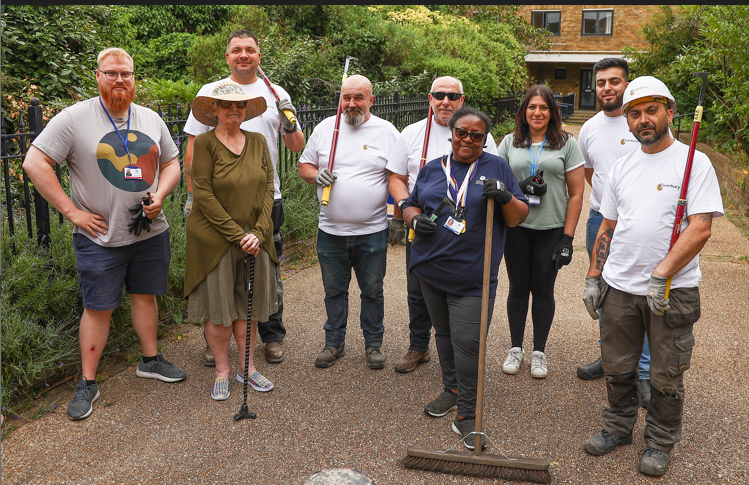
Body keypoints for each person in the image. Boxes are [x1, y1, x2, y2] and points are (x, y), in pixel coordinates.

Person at [23, 47, 186, 420]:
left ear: (134, 78)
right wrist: (71, 212)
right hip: (100, 235)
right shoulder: (74, 118)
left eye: (125, 74)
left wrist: (160, 194)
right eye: (111, 73)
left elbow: (172, 161)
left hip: (149, 231)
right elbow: (35, 161)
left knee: (146, 295)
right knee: (98, 307)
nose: (119, 80)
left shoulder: (149, 117)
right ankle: (88, 382)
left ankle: (150, 359)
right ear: (97, 76)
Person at [581, 76, 722, 477]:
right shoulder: (623, 167)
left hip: (672, 291)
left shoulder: (693, 161)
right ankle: (618, 428)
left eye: (652, 109)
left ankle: (660, 441)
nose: (644, 119)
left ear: (670, 112)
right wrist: (594, 276)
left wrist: (662, 274)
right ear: (626, 120)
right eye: (635, 112)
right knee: (617, 366)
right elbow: (607, 225)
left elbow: (700, 227)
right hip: (620, 287)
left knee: (665, 373)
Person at [403, 107, 528, 449]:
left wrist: (504, 196)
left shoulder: (496, 166)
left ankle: (466, 415)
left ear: (485, 139)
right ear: (452, 132)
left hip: (474, 277)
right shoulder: (432, 169)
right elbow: (410, 204)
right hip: (430, 270)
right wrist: (413, 219)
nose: (468, 140)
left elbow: (518, 216)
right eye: (462, 132)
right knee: (442, 334)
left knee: (469, 345)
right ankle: (452, 389)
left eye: (476, 135)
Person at [183, 29, 304, 367]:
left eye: (250, 50)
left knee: (267, 269)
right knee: (218, 272)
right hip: (216, 202)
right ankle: (216, 343)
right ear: (227, 57)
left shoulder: (275, 93)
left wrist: (289, 119)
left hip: (267, 198)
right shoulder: (210, 93)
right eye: (236, 50)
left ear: (258, 57)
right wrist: (195, 198)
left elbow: (297, 147)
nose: (243, 55)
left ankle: (272, 336)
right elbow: (194, 145)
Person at [386, 76, 499, 374]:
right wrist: (405, 212)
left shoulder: (477, 132)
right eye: (439, 95)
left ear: (462, 100)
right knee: (418, 291)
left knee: (459, 295)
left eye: (452, 96)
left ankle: (457, 354)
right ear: (430, 98)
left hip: (466, 232)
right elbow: (396, 178)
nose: (445, 101)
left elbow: (495, 178)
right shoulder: (411, 134)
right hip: (423, 226)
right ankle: (418, 347)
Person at [297, 74, 400, 370]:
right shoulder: (325, 128)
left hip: (372, 231)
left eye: (358, 98)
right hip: (331, 231)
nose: (352, 104)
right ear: (340, 99)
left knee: (373, 291)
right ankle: (334, 343)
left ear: (371, 100)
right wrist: (315, 174)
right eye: (346, 98)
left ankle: (373, 345)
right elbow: (304, 165)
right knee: (333, 291)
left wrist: (395, 217)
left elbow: (396, 176)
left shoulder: (386, 131)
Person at [184, 81, 278, 399]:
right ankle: (223, 370)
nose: (233, 110)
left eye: (239, 105)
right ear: (214, 110)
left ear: (246, 110)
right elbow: (204, 194)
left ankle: (247, 369)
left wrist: (258, 233)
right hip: (214, 240)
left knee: (247, 309)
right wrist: (239, 236)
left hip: (254, 239)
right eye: (226, 105)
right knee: (219, 311)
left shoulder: (258, 141)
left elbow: (268, 187)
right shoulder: (206, 144)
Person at [575, 58, 653, 408]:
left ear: (626, 84)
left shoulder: (640, 122)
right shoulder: (589, 128)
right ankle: (610, 358)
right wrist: (611, 203)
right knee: (605, 291)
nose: (607, 88)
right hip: (600, 220)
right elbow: (591, 173)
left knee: (646, 293)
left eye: (615, 81)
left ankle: (647, 372)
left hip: (641, 224)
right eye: (602, 82)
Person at [497, 84, 585, 379]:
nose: (537, 112)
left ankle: (539, 352)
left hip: (551, 228)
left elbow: (576, 194)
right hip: (516, 227)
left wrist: (568, 239)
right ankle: (515, 347)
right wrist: (519, 189)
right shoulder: (510, 142)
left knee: (544, 290)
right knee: (518, 289)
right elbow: (497, 183)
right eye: (532, 107)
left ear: (552, 112)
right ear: (524, 111)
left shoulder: (566, 144)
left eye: (544, 107)